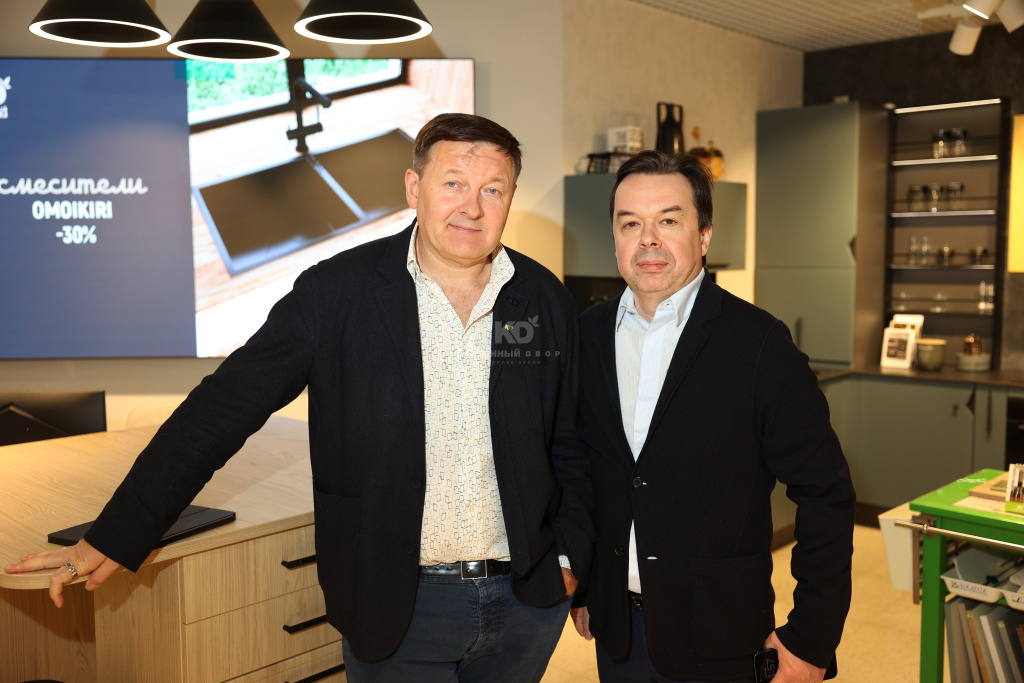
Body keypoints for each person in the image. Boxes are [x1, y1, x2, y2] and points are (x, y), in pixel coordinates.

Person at [5, 113, 593, 683]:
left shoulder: (545, 299)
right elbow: (220, 409)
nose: (473, 207)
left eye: (493, 189)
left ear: (510, 198)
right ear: (414, 188)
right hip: (399, 606)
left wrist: (569, 562)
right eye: (454, 184)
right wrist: (116, 532)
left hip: (525, 604)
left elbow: (571, 444)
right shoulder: (334, 293)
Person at [569, 150, 855, 683]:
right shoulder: (586, 335)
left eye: (668, 221)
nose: (647, 239)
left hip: (721, 638)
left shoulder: (760, 345)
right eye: (630, 224)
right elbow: (586, 473)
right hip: (618, 635)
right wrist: (588, 585)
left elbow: (826, 493)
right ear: (614, 236)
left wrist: (811, 638)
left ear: (703, 236)